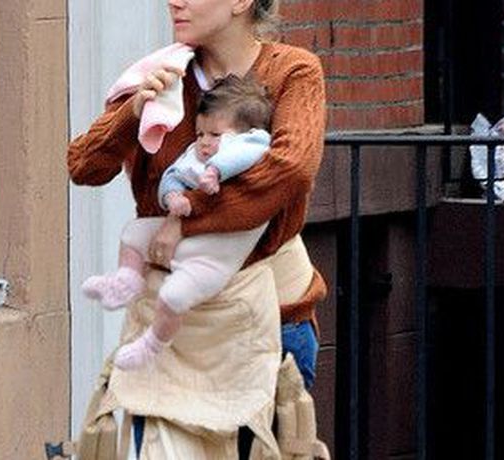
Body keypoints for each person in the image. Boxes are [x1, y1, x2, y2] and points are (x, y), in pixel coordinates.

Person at [68, 0, 327, 455]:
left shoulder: (293, 72)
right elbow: (84, 165)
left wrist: (181, 223)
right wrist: (133, 111)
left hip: (266, 320)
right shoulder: (162, 76)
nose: (174, 1)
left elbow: (290, 170)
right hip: (172, 338)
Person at [81, 75, 274, 371]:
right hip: (183, 238)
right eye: (199, 133)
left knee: (174, 296)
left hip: (214, 257)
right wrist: (171, 196)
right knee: (133, 233)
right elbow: (174, 174)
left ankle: (152, 344)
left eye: (215, 134)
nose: (204, 142)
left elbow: (245, 154)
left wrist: (215, 172)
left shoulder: (255, 147)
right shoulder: (197, 153)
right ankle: (126, 280)